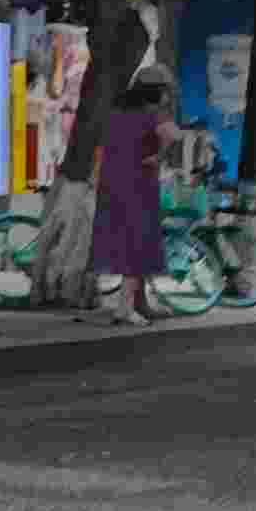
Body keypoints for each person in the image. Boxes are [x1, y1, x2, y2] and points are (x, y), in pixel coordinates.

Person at [90, 63, 173, 322]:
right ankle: (125, 309)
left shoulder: (116, 113)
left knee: (124, 246)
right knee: (138, 248)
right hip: (139, 186)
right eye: (165, 91)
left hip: (111, 184)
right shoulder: (153, 114)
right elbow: (171, 135)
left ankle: (127, 307)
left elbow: (101, 148)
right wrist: (159, 156)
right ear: (156, 91)